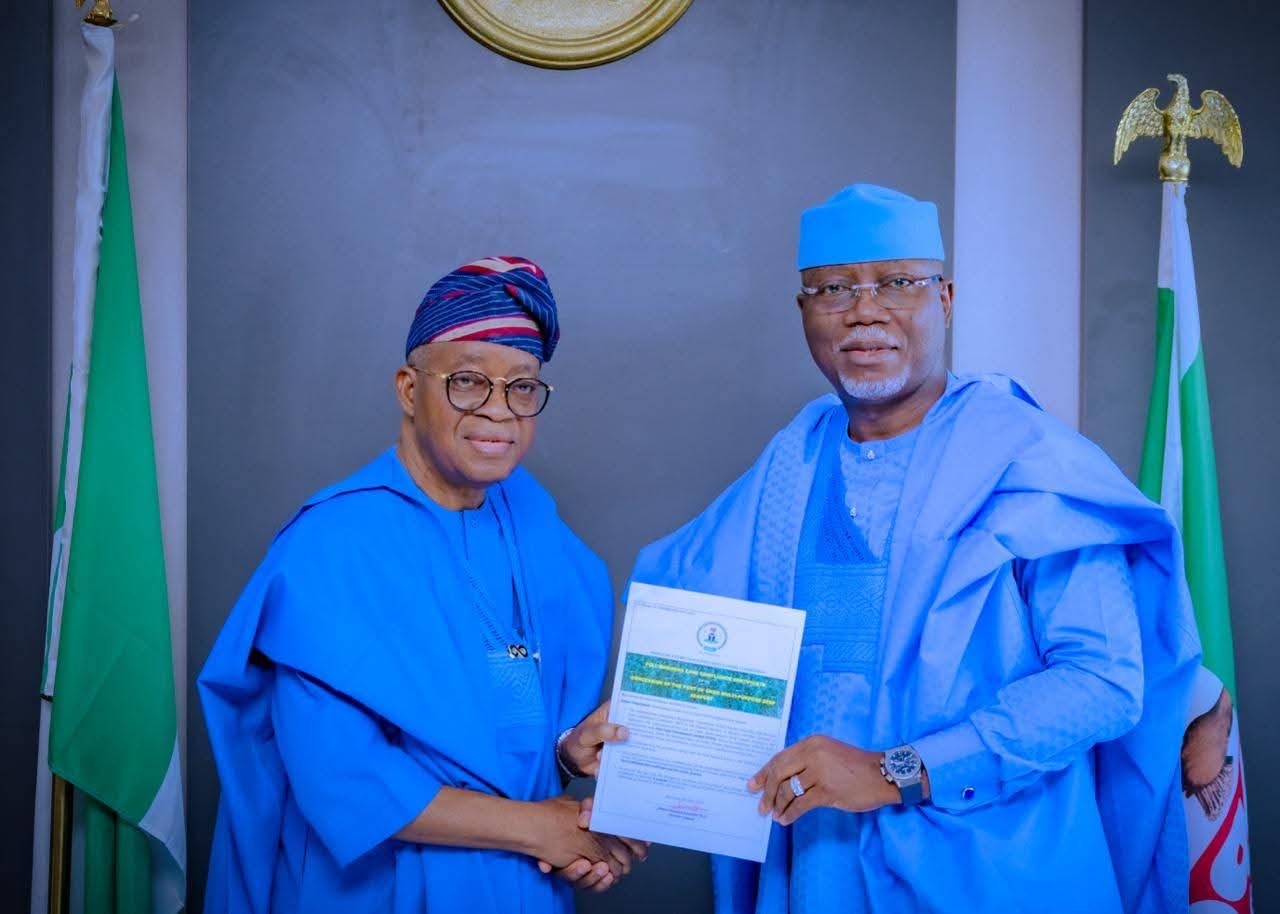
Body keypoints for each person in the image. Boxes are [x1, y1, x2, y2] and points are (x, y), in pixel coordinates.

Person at [631, 185, 1202, 913]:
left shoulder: (1026, 459)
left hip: (997, 868)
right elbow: (693, 625)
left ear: (947, 299)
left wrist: (898, 769)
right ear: (803, 312)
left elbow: (1103, 681)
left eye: (898, 283)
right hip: (823, 868)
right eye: (834, 289)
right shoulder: (790, 462)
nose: (865, 311)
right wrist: (632, 730)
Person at [200, 256, 643, 913]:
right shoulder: (332, 546)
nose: (499, 411)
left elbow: (491, 739)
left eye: (522, 387)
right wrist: (549, 829)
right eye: (467, 382)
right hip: (378, 890)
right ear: (410, 390)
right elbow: (341, 779)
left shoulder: (542, 534)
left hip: (521, 887)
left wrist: (568, 758)